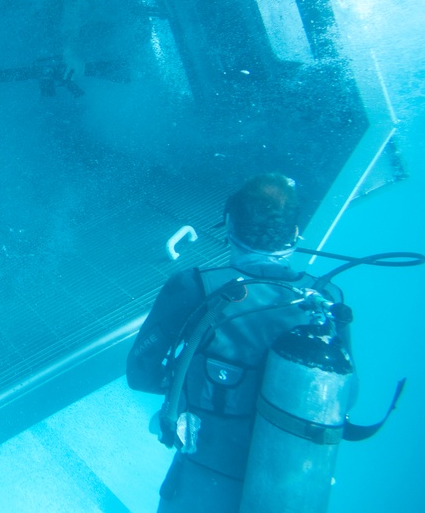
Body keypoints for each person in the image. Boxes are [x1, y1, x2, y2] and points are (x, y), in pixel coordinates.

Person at [126, 173, 348, 513]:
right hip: (291, 489)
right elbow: (344, 397)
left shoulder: (195, 287)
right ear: (294, 234)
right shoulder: (325, 300)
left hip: (203, 482)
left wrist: (188, 389)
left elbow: (140, 373)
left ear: (228, 223)